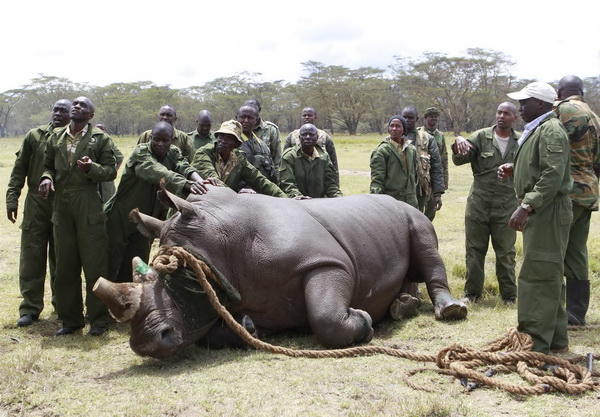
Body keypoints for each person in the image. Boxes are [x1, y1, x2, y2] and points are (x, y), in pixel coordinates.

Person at [498, 82, 572, 354]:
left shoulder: (550, 130)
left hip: (546, 210)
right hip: (545, 209)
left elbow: (552, 176)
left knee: (538, 273)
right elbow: (541, 166)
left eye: (525, 101)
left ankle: (535, 342)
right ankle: (556, 339)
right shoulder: (540, 129)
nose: (520, 107)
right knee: (548, 271)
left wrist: (526, 206)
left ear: (541, 104)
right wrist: (515, 168)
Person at [39, 96, 117, 336]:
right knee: (64, 265)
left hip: (88, 202)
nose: (77, 106)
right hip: (61, 204)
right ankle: (70, 320)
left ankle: (99, 320)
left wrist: (90, 168)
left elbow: (111, 171)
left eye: (83, 105)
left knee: (94, 264)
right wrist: (46, 178)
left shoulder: (101, 139)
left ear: (90, 115)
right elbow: (48, 166)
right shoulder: (56, 137)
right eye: (75, 103)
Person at [105, 122, 209, 283]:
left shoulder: (173, 152)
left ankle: (129, 301)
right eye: (156, 139)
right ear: (151, 138)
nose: (160, 144)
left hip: (145, 218)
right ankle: (100, 306)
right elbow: (157, 171)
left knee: (137, 261)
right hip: (121, 216)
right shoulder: (141, 152)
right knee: (110, 261)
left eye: (165, 140)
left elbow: (184, 166)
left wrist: (201, 182)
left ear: (171, 141)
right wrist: (186, 184)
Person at [6, 99, 71, 327]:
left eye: (64, 110)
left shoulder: (74, 139)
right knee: (31, 255)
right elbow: (19, 168)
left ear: (72, 114)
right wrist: (12, 197)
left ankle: (62, 307)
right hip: (36, 201)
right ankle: (30, 308)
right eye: (55, 109)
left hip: (62, 201)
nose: (58, 113)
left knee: (60, 257)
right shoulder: (35, 135)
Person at [452, 102, 520, 304]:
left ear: (514, 118)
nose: (501, 116)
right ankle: (472, 294)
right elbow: (459, 159)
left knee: (506, 253)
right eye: (499, 112)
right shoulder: (481, 136)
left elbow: (529, 167)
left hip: (506, 206)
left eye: (507, 113)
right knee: (474, 251)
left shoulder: (521, 141)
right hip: (478, 205)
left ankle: (509, 296)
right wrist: (458, 142)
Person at [555, 75, 600, 325]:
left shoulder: (560, 110)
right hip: (589, 192)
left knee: (552, 249)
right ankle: (576, 313)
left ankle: (552, 309)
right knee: (576, 252)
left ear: (560, 91)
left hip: (565, 191)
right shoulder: (595, 117)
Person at [192, 120, 287, 198]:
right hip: (199, 201)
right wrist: (237, 195)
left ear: (235, 144)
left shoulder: (238, 158)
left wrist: (286, 199)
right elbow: (214, 182)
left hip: (223, 202)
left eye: (229, 138)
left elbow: (260, 181)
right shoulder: (204, 153)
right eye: (221, 136)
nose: (223, 141)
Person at [402, 106, 444, 220]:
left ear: (417, 119)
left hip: (420, 190)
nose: (407, 120)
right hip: (398, 190)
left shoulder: (427, 139)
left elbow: (436, 166)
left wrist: (438, 193)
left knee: (418, 221)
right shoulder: (394, 138)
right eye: (404, 117)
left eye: (410, 117)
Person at [279, 123, 342, 198]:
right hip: (295, 202)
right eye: (304, 134)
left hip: (318, 201)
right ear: (299, 137)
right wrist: (298, 196)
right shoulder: (289, 156)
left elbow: (330, 184)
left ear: (317, 137)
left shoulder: (324, 157)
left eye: (311, 134)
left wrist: (338, 197)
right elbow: (287, 184)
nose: (308, 137)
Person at [369, 115, 419, 208]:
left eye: (398, 126)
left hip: (411, 201)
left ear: (404, 130)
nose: (394, 129)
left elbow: (414, 176)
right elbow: (377, 180)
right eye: (392, 126)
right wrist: (377, 203)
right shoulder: (382, 150)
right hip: (391, 202)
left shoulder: (411, 150)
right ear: (388, 129)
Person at [284, 107, 339, 185]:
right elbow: (284, 160)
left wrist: (335, 185)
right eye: (304, 115)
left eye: (309, 115)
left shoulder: (324, 137)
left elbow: (334, 165)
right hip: (298, 177)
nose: (306, 117)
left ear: (315, 117)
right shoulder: (292, 136)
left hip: (320, 178)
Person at [236, 105, 279, 185]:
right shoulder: (230, 142)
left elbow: (272, 173)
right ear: (236, 118)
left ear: (256, 120)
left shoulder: (262, 145)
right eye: (243, 117)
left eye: (250, 118)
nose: (246, 121)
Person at [245, 98, 282, 169]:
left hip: (264, 172)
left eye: (254, 108)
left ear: (259, 109)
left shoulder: (270, 129)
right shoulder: (238, 128)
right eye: (248, 108)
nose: (251, 110)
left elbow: (277, 157)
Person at [419, 107, 448, 191]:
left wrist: (445, 179)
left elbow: (444, 158)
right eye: (431, 116)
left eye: (436, 116)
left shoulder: (440, 135)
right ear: (425, 118)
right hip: (421, 173)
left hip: (435, 173)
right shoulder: (419, 133)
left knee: (434, 201)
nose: (434, 118)